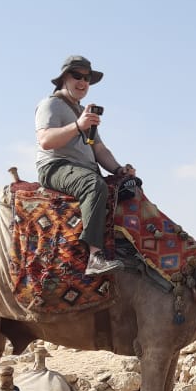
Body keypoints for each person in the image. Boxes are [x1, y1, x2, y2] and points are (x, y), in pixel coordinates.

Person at [35, 55, 137, 276]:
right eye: (77, 76)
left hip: (84, 169)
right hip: (56, 166)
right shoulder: (50, 104)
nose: (83, 82)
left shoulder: (83, 112)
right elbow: (45, 140)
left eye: (87, 78)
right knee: (94, 185)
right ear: (64, 78)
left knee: (130, 186)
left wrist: (119, 170)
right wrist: (78, 125)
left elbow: (99, 150)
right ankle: (95, 256)